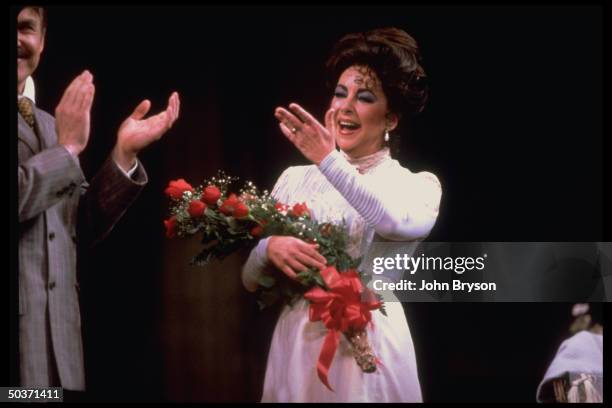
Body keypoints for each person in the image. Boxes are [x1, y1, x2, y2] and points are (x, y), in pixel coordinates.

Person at [241, 27, 441, 402]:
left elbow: (391, 219)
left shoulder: (417, 186)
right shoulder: (293, 179)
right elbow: (251, 282)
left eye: (364, 97)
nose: (346, 106)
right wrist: (267, 249)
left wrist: (328, 160)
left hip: (371, 341)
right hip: (298, 342)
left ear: (391, 119)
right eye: (339, 93)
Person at [17, 6, 180, 391]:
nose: (16, 40)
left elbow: (78, 226)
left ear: (42, 39)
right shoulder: (65, 134)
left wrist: (123, 155)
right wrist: (68, 149)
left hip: (60, 348)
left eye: (25, 28)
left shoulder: (48, 122)